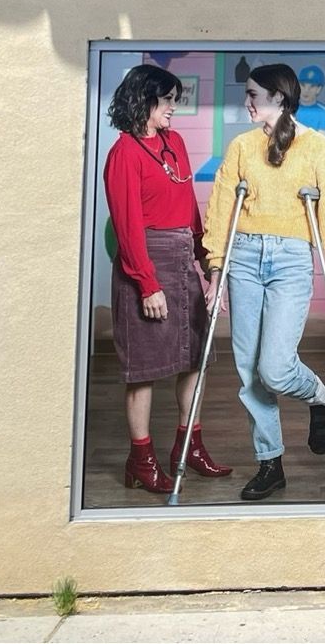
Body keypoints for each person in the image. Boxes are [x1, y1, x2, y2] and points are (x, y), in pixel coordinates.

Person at [206, 62, 325, 501]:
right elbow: (220, 211)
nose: (246, 102)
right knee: (250, 372)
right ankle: (270, 464)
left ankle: (322, 397)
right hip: (244, 258)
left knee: (276, 367)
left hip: (290, 261)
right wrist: (216, 270)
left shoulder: (317, 148)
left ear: (278, 98)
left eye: (252, 95)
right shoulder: (242, 147)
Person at [103, 63, 231, 493]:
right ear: (144, 100)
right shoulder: (123, 152)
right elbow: (127, 225)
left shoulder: (174, 143)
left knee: (195, 358)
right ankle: (140, 460)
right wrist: (146, 283)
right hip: (147, 260)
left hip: (181, 256)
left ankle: (188, 447)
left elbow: (189, 208)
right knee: (144, 367)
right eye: (167, 100)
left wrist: (206, 262)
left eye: (175, 100)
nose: (174, 108)